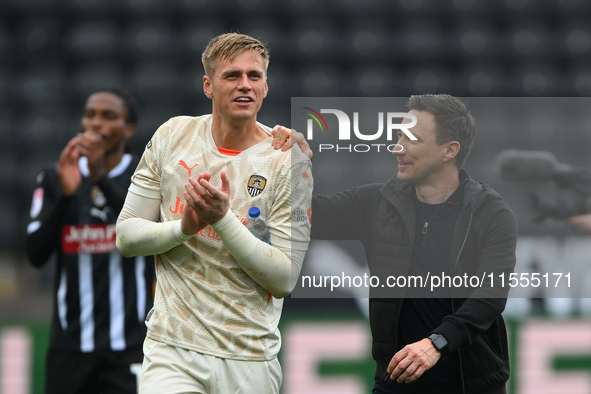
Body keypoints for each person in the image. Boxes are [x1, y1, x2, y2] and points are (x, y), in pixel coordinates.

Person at [274, 94, 518, 394]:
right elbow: (300, 218)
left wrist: (436, 343)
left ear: (449, 150)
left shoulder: (491, 212)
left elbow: (490, 296)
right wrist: (294, 168)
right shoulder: (375, 202)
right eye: (399, 135)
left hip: (474, 386)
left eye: (411, 138)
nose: (397, 147)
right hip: (395, 384)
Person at [115, 33, 313, 394]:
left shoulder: (289, 162)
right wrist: (184, 228)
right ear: (208, 85)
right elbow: (126, 237)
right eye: (231, 75)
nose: (245, 85)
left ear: (266, 87)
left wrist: (221, 220)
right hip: (173, 347)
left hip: (249, 357)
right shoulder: (172, 136)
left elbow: (284, 279)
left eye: (254, 76)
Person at [25, 87, 155, 394]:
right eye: (89, 115)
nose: (96, 123)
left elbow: (147, 230)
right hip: (69, 348)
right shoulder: (56, 177)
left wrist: (99, 178)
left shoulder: (145, 176)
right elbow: (35, 254)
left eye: (109, 116)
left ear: (129, 128)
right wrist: (66, 198)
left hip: (131, 346)